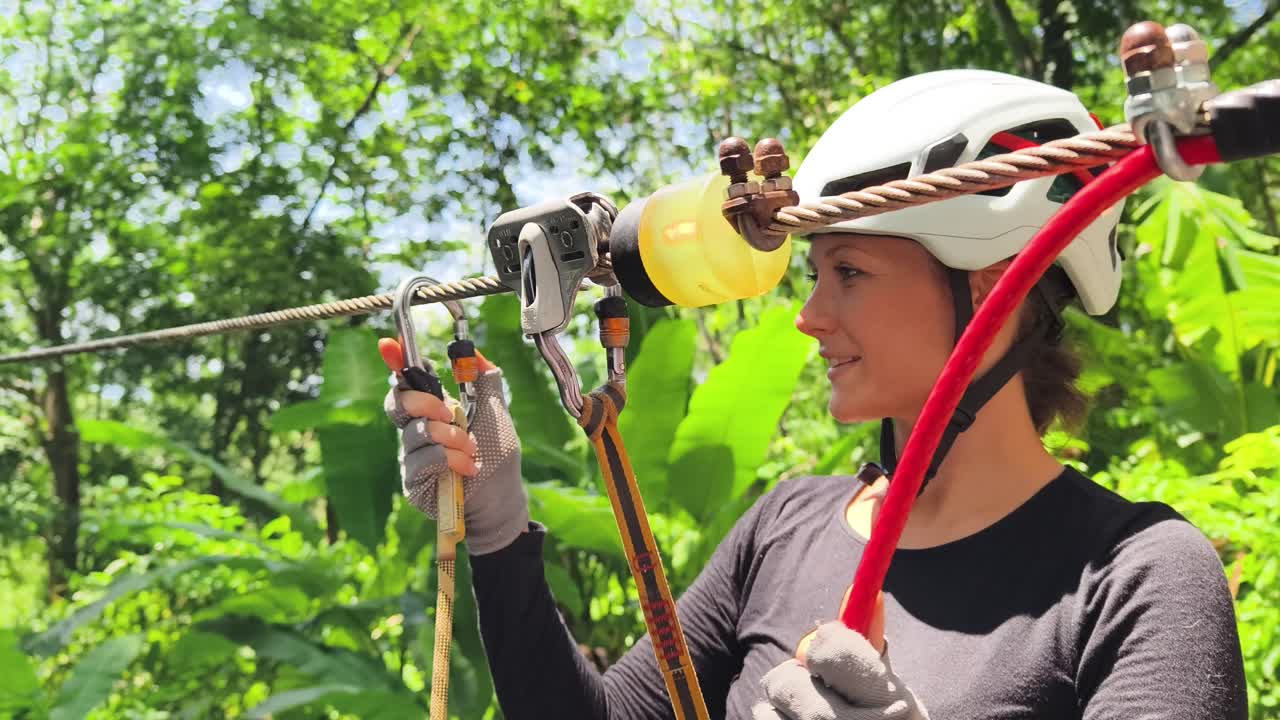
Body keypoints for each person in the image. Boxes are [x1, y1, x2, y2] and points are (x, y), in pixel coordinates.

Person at [377, 70, 1248, 719]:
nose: (809, 317)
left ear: (992, 287)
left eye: (851, 272)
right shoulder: (784, 529)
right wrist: (496, 530)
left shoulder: (1138, 579)